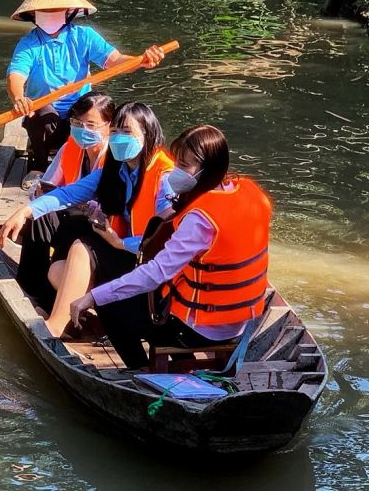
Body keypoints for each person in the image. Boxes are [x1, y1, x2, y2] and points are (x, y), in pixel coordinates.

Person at [66, 124, 272, 371]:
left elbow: (155, 274)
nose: (176, 172)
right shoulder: (251, 193)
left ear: (208, 170)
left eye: (185, 167)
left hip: (199, 330)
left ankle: (140, 369)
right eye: (178, 163)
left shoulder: (200, 219)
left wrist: (92, 296)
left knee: (107, 302)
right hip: (244, 320)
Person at [0, 101, 172, 336]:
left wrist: (119, 243)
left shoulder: (164, 177)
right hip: (127, 255)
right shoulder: (116, 169)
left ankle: (55, 327)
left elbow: (165, 237)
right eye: (116, 132)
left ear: (148, 134)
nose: (119, 138)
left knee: (82, 248)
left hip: (149, 264)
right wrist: (25, 211)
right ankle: (81, 313)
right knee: (57, 270)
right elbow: (68, 193)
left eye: (127, 132)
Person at [6, 0, 168, 171]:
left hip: (80, 111)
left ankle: (97, 166)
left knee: (101, 106)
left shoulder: (84, 36)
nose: (51, 13)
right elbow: (16, 76)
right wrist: (19, 98)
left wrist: (141, 61)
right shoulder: (28, 44)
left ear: (69, 12)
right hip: (48, 116)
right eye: (45, 10)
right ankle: (38, 166)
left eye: (56, 9)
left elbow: (114, 61)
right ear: (34, 14)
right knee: (41, 114)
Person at [15, 91, 114, 306]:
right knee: (40, 215)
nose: (82, 130)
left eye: (91, 124)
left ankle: (51, 302)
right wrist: (39, 191)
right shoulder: (71, 147)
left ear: (109, 126)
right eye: (77, 123)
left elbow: (103, 201)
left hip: (102, 226)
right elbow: (50, 181)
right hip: (73, 215)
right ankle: (30, 287)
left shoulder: (114, 158)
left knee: (55, 218)